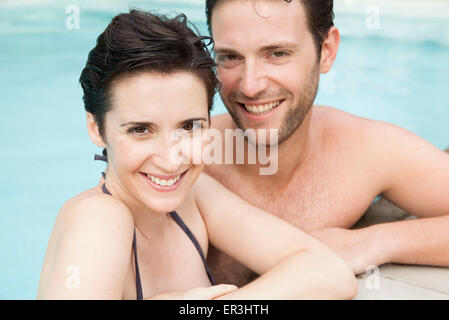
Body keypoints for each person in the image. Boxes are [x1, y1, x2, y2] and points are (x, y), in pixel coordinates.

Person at [36, 9, 356, 300]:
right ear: (96, 128)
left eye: (189, 126)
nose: (171, 160)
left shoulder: (195, 198)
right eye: (140, 130)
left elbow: (331, 273)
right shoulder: (98, 218)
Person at [203, 0, 449, 286]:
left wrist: (373, 242)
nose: (250, 86)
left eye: (277, 53)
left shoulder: (364, 149)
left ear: (327, 51)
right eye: (230, 57)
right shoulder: (181, 158)